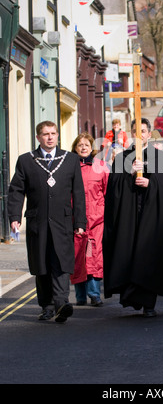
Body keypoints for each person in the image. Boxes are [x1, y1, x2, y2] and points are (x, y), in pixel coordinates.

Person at [8, 121, 87, 322]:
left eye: (53, 133)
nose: (50, 137)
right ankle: (47, 306)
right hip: (38, 221)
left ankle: (62, 303)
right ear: (38, 138)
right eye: (45, 134)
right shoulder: (26, 160)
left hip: (63, 221)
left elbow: (78, 193)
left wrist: (80, 221)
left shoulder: (70, 160)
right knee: (41, 264)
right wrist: (15, 218)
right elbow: (16, 191)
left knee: (61, 262)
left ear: (58, 135)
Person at [103, 118, 163, 317]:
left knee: (149, 257)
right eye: (136, 131)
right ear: (131, 133)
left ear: (149, 133)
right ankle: (133, 296)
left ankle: (149, 303)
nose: (140, 134)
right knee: (129, 255)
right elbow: (112, 190)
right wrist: (128, 174)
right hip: (129, 217)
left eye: (144, 131)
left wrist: (151, 184)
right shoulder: (122, 159)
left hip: (152, 217)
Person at [71, 132, 109, 307]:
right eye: (80, 145)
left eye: (86, 144)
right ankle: (80, 296)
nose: (83, 147)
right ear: (75, 148)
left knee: (94, 257)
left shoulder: (101, 166)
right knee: (78, 257)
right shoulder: (70, 167)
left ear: (92, 147)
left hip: (96, 221)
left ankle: (94, 294)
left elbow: (108, 193)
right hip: (75, 220)